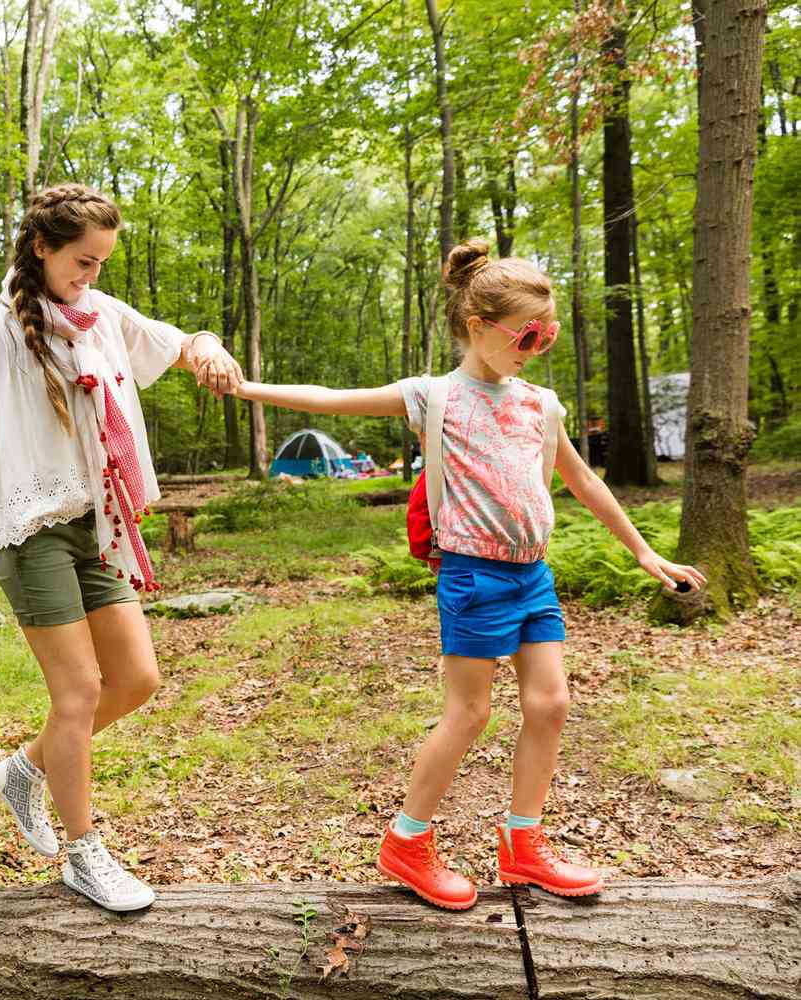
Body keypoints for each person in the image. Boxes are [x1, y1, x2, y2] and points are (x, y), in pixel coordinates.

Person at [233, 239, 705, 910]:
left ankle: (523, 846)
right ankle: (407, 840)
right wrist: (245, 385)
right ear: (478, 327)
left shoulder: (541, 404)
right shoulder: (435, 397)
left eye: (546, 339)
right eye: (525, 336)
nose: (534, 349)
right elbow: (329, 399)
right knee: (470, 712)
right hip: (473, 574)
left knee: (551, 704)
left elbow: (582, 480)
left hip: (531, 575)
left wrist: (643, 551)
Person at [0, 183, 243, 912]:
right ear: (40, 248)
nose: (91, 276)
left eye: (102, 264)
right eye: (81, 261)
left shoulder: (102, 318)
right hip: (31, 528)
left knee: (136, 679)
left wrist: (210, 350)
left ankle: (24, 769)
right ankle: (84, 854)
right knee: (77, 692)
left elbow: (180, 342)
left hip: (99, 523)